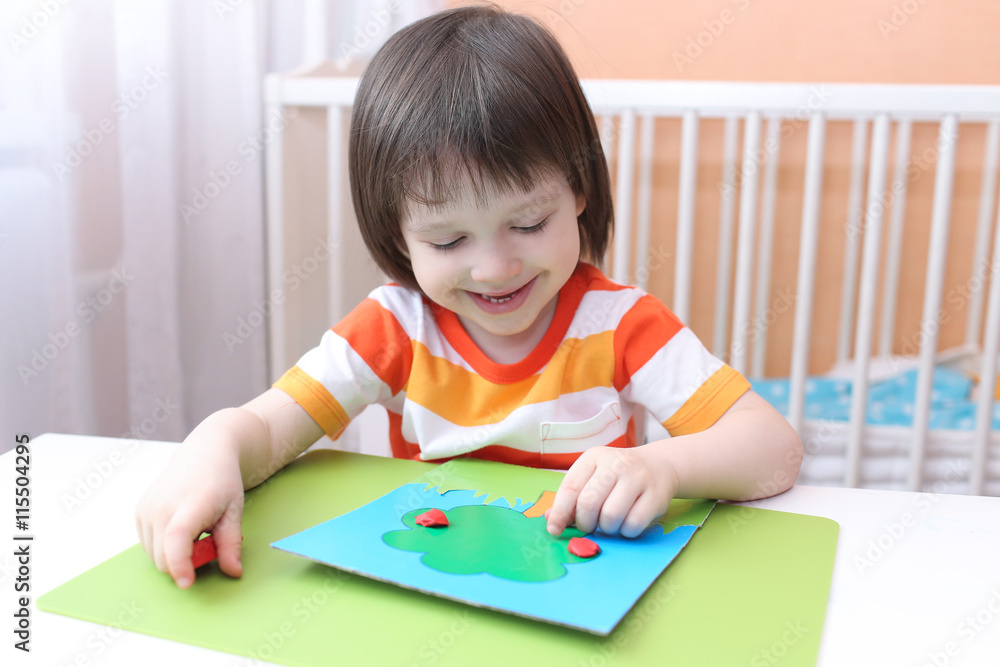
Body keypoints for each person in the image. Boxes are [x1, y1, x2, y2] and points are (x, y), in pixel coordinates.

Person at [136, 4, 802, 590]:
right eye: (449, 239)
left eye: (528, 223)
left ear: (578, 189)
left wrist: (663, 465)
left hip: (585, 591)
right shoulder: (392, 330)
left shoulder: (623, 326)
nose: (495, 267)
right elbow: (266, 428)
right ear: (397, 233)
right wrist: (213, 445)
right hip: (435, 584)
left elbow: (772, 448)